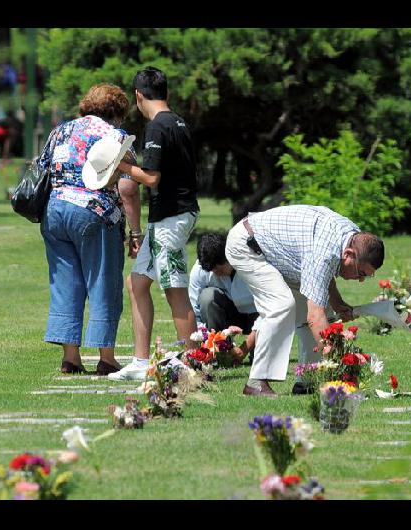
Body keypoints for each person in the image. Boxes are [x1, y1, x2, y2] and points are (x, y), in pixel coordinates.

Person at [224, 205, 385, 397]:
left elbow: (323, 276)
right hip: (247, 246)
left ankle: (308, 380)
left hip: (278, 255)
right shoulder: (327, 251)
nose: (360, 280)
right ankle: (256, 383)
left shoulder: (351, 237)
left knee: (323, 311)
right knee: (281, 305)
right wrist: (340, 368)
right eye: (360, 273)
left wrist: (336, 300)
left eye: (365, 276)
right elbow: (314, 316)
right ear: (348, 254)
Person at [39, 83, 140, 376]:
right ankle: (106, 357)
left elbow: (43, 167)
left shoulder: (60, 131)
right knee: (103, 281)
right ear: (117, 113)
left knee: (65, 283)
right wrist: (135, 233)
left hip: (54, 212)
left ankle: (70, 358)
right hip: (95, 214)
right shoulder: (115, 136)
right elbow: (128, 187)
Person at [108, 66, 201, 381]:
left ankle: (192, 363)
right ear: (166, 92)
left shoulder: (158, 127)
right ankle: (140, 361)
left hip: (172, 219)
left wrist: (119, 165)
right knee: (136, 283)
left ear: (138, 96)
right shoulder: (178, 122)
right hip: (168, 218)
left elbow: (151, 178)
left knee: (174, 289)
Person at [189, 232, 258, 362]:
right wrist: (204, 342)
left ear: (228, 257)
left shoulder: (251, 262)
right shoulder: (199, 270)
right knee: (207, 297)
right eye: (212, 271)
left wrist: (245, 348)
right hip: (227, 316)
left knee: (260, 360)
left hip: (256, 314)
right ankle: (219, 351)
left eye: (219, 270)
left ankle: (258, 351)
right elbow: (195, 312)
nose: (217, 274)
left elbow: (269, 309)